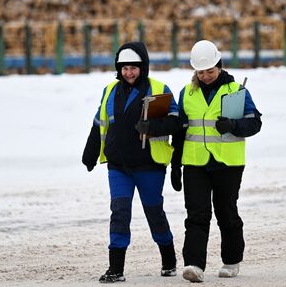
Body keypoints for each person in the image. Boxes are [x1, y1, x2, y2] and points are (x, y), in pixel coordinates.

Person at [82, 41, 182, 283]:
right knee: (119, 211)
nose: (129, 72)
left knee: (153, 212)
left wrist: (153, 127)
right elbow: (100, 123)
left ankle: (168, 259)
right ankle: (116, 268)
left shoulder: (158, 88)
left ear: (143, 67)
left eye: (134, 68)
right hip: (118, 166)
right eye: (124, 68)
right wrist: (90, 151)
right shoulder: (109, 91)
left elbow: (176, 122)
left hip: (149, 165)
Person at [170, 40, 262, 282]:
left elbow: (255, 123)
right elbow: (180, 131)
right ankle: (194, 265)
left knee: (226, 212)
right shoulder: (187, 93)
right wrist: (175, 164)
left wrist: (234, 125)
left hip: (227, 164)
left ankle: (232, 261)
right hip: (195, 163)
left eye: (210, 71)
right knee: (196, 215)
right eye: (201, 72)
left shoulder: (236, 91)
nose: (206, 76)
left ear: (219, 66)